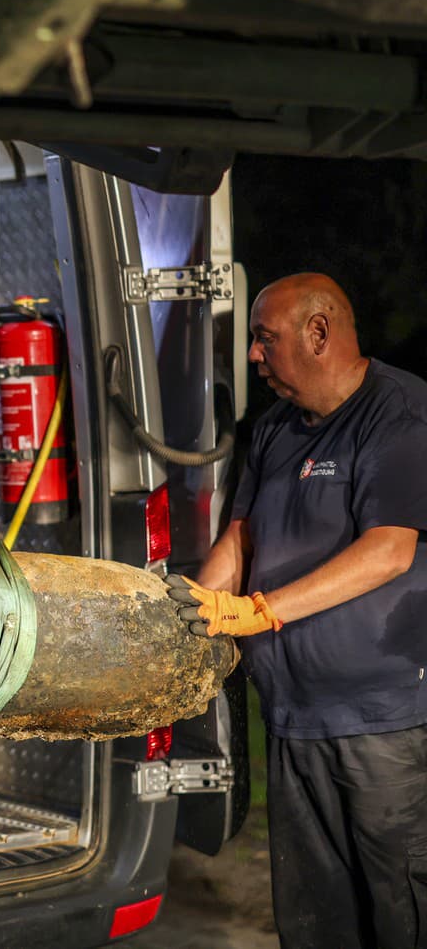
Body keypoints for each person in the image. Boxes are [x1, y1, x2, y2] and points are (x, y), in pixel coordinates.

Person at [166, 273, 427, 949]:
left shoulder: (399, 413)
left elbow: (389, 552)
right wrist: (198, 612)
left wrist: (256, 612)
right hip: (293, 719)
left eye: (264, 338)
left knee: (402, 911)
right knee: (316, 920)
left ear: (318, 333)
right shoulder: (278, 427)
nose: (253, 355)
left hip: (384, 726)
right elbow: (243, 534)